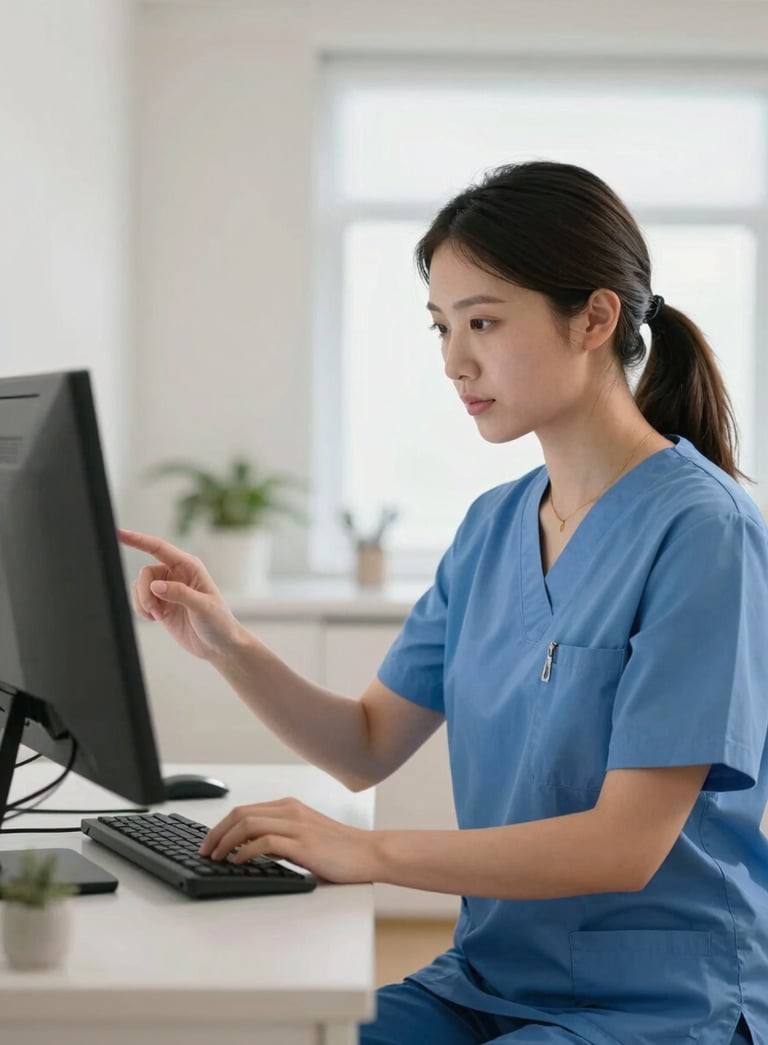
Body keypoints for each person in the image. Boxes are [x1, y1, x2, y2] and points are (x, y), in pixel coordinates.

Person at [120, 160, 767, 1045]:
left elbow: (626, 844)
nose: (455, 361)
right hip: (488, 978)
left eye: (485, 323)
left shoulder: (703, 531)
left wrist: (370, 853)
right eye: (442, 326)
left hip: (656, 1003)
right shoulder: (494, 525)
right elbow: (366, 743)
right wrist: (228, 642)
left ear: (595, 318)